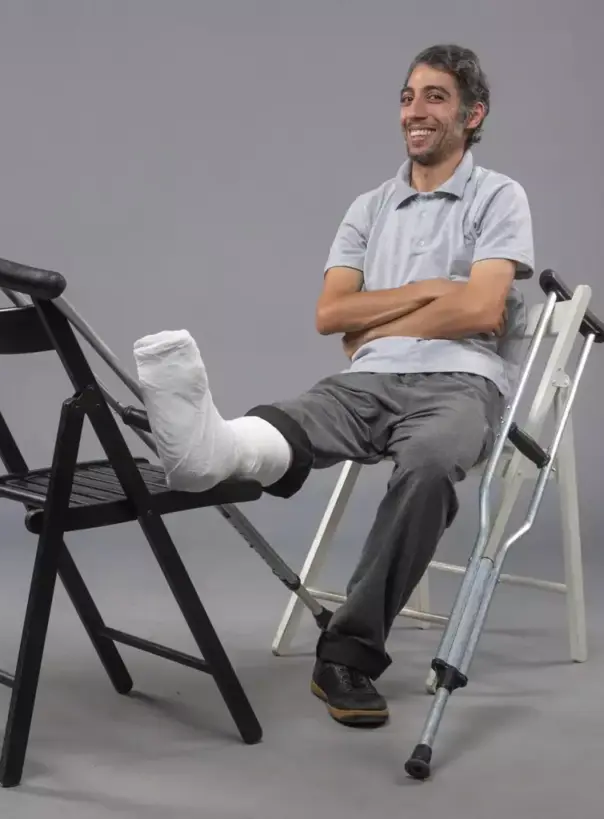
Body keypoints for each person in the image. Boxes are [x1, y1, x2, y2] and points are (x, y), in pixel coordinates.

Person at [132, 44, 533, 728]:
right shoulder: (369, 208)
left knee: (431, 463)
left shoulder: (499, 196)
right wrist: (437, 289)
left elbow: (480, 311)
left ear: (473, 116)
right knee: (282, 424)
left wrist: (386, 314)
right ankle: (205, 452)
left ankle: (346, 653)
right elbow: (330, 316)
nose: (415, 111)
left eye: (436, 97)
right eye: (408, 96)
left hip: (461, 384)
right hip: (367, 379)